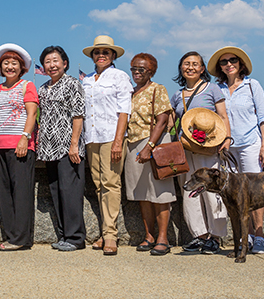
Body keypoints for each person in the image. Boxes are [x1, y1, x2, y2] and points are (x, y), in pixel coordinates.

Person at [208, 45, 264, 255]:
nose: (228, 65)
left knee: (255, 191)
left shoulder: (252, 86)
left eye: (232, 60)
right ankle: (246, 236)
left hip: (250, 144)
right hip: (227, 147)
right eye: (224, 62)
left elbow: (263, 117)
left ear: (240, 64)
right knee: (235, 195)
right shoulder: (218, 89)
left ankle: (259, 235)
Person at [170, 51, 231, 255]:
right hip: (186, 150)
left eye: (195, 64)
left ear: (202, 69)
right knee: (189, 191)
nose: (191, 67)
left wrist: (227, 139)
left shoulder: (212, 89)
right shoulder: (177, 95)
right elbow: (172, 121)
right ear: (181, 68)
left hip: (209, 148)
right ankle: (200, 236)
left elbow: (223, 115)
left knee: (213, 192)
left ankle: (215, 236)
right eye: (186, 63)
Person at [81, 35, 132, 256]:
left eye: (105, 52)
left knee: (111, 184)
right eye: (97, 52)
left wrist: (119, 141)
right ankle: (105, 231)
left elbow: (124, 110)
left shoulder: (119, 77)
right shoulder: (86, 80)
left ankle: (111, 234)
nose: (101, 55)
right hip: (91, 136)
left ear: (113, 56)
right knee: (99, 185)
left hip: (111, 136)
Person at [0, 43, 39, 251]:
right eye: (6, 63)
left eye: (14, 63)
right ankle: (10, 235)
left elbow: (32, 114)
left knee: (21, 192)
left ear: (21, 67)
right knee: (5, 192)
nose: (10, 67)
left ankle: (20, 238)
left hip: (21, 146)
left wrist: (25, 138)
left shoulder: (27, 86)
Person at [124, 53, 176, 257]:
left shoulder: (158, 89)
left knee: (160, 192)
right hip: (133, 144)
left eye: (141, 69)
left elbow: (162, 120)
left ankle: (163, 238)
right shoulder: (129, 92)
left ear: (151, 72)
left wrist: (150, 146)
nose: (137, 72)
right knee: (142, 194)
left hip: (154, 143)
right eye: (134, 68)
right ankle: (149, 235)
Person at [37, 45, 86, 252]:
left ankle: (76, 238)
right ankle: (64, 234)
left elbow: (78, 114)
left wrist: (74, 144)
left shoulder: (73, 84)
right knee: (57, 192)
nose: (52, 65)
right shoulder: (43, 88)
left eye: (55, 60)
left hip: (68, 147)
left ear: (64, 63)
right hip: (49, 149)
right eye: (48, 61)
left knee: (71, 192)